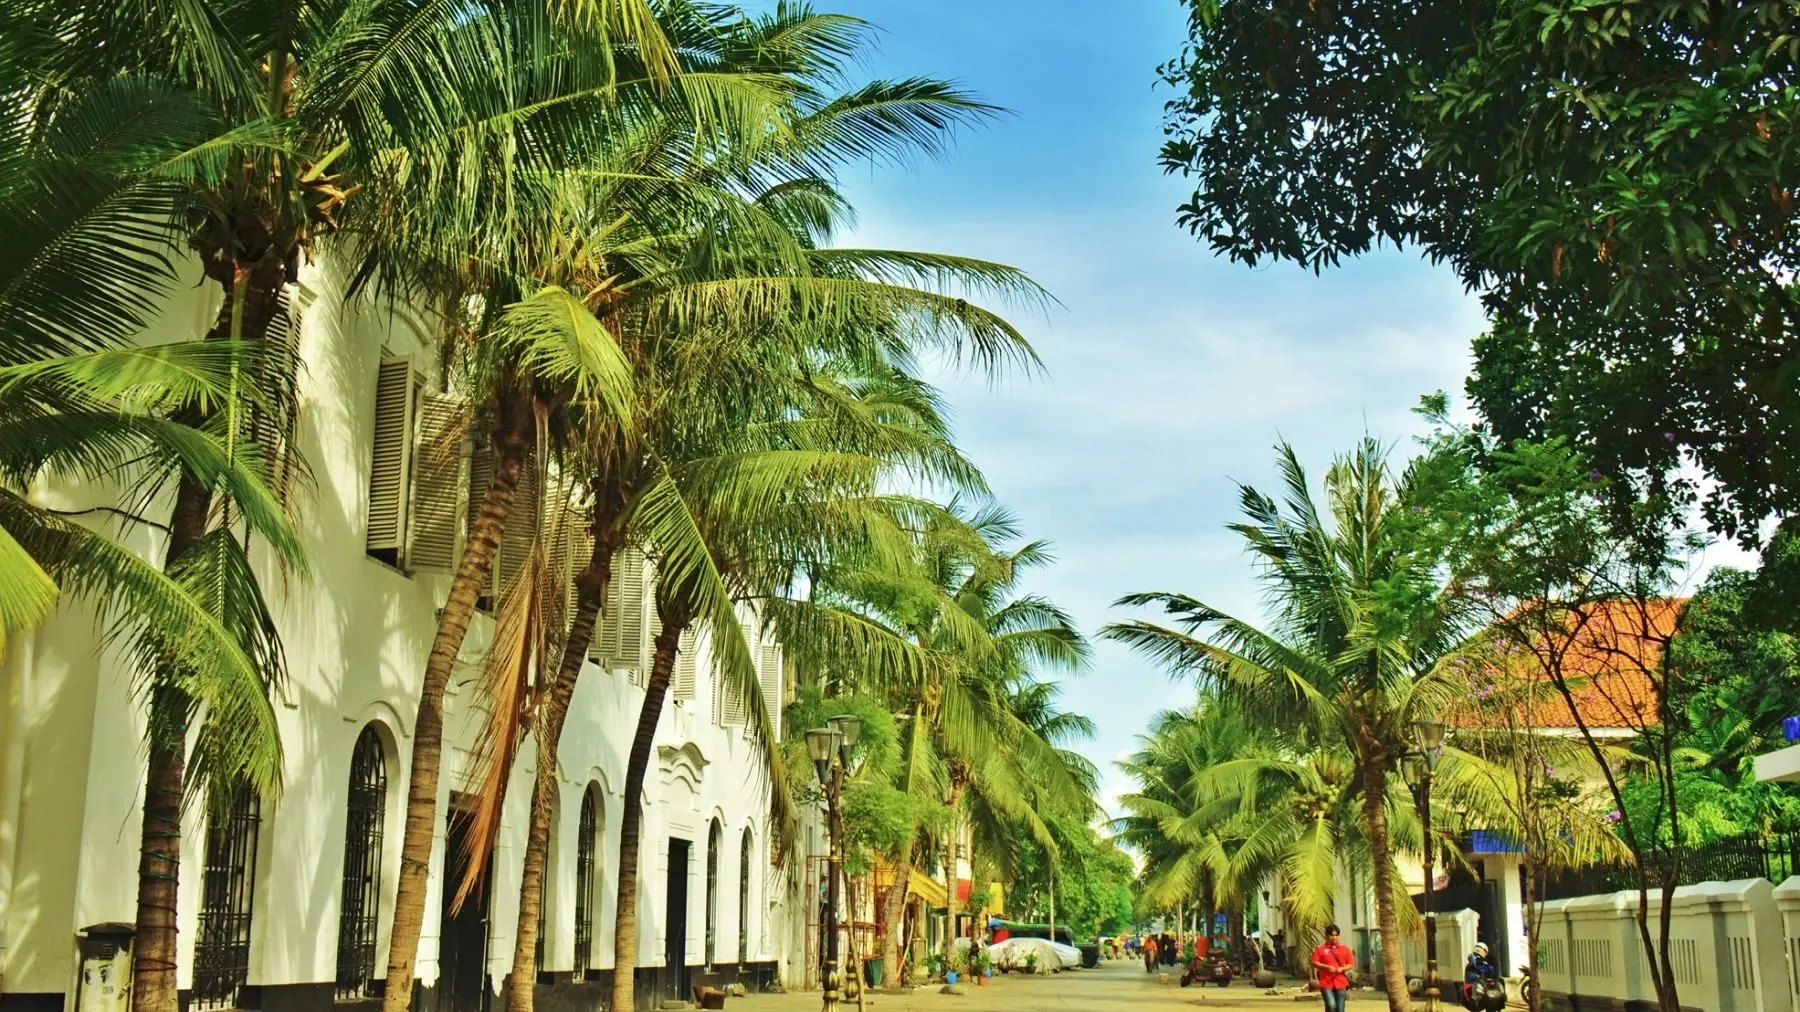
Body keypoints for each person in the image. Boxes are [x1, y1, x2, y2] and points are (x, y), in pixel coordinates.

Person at [1311, 925, 1353, 1012]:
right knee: (1331, 1005)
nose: (1334, 937)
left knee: (1340, 1009)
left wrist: (1342, 969)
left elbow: (1351, 963)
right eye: (1331, 935)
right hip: (1326, 982)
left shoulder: (1345, 949)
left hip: (1341, 982)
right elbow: (1314, 962)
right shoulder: (1320, 949)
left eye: (1336, 935)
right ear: (1326, 936)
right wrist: (1326, 967)